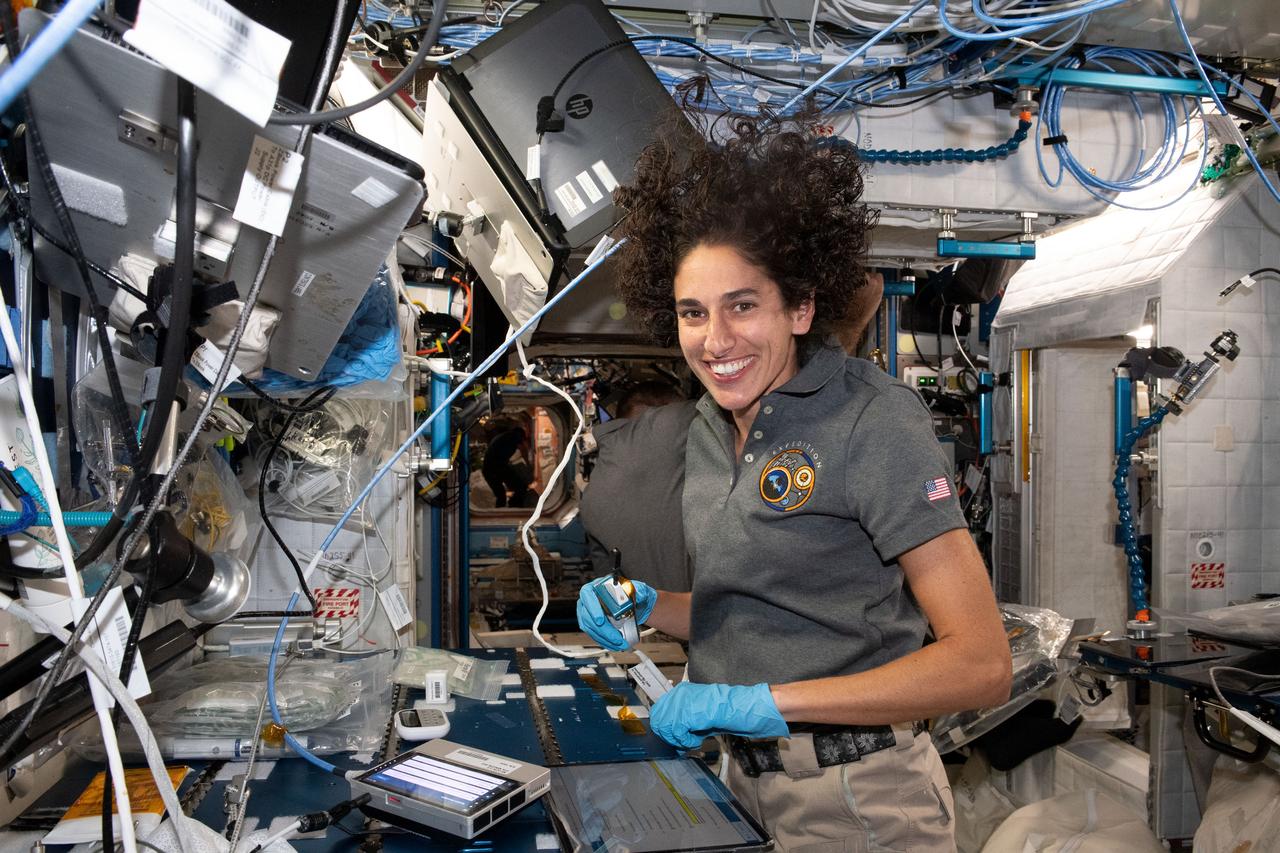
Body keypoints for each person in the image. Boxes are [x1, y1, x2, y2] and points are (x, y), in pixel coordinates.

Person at [575, 109, 1011, 852]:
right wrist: (652, 605)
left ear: (801, 307)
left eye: (742, 306)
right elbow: (762, 614)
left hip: (860, 798)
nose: (715, 340)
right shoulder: (708, 427)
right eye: (692, 313)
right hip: (738, 784)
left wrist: (763, 705)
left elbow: (981, 664)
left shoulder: (871, 420)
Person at [579, 382, 696, 591]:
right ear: (660, 412)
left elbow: (610, 591)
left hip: (653, 610)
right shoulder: (669, 424)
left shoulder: (590, 499)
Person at [480, 424, 533, 508]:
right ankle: (514, 507)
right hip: (495, 468)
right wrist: (528, 465)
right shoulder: (513, 436)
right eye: (523, 438)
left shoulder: (506, 437)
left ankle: (510, 507)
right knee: (519, 488)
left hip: (492, 468)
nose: (523, 440)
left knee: (501, 495)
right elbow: (523, 449)